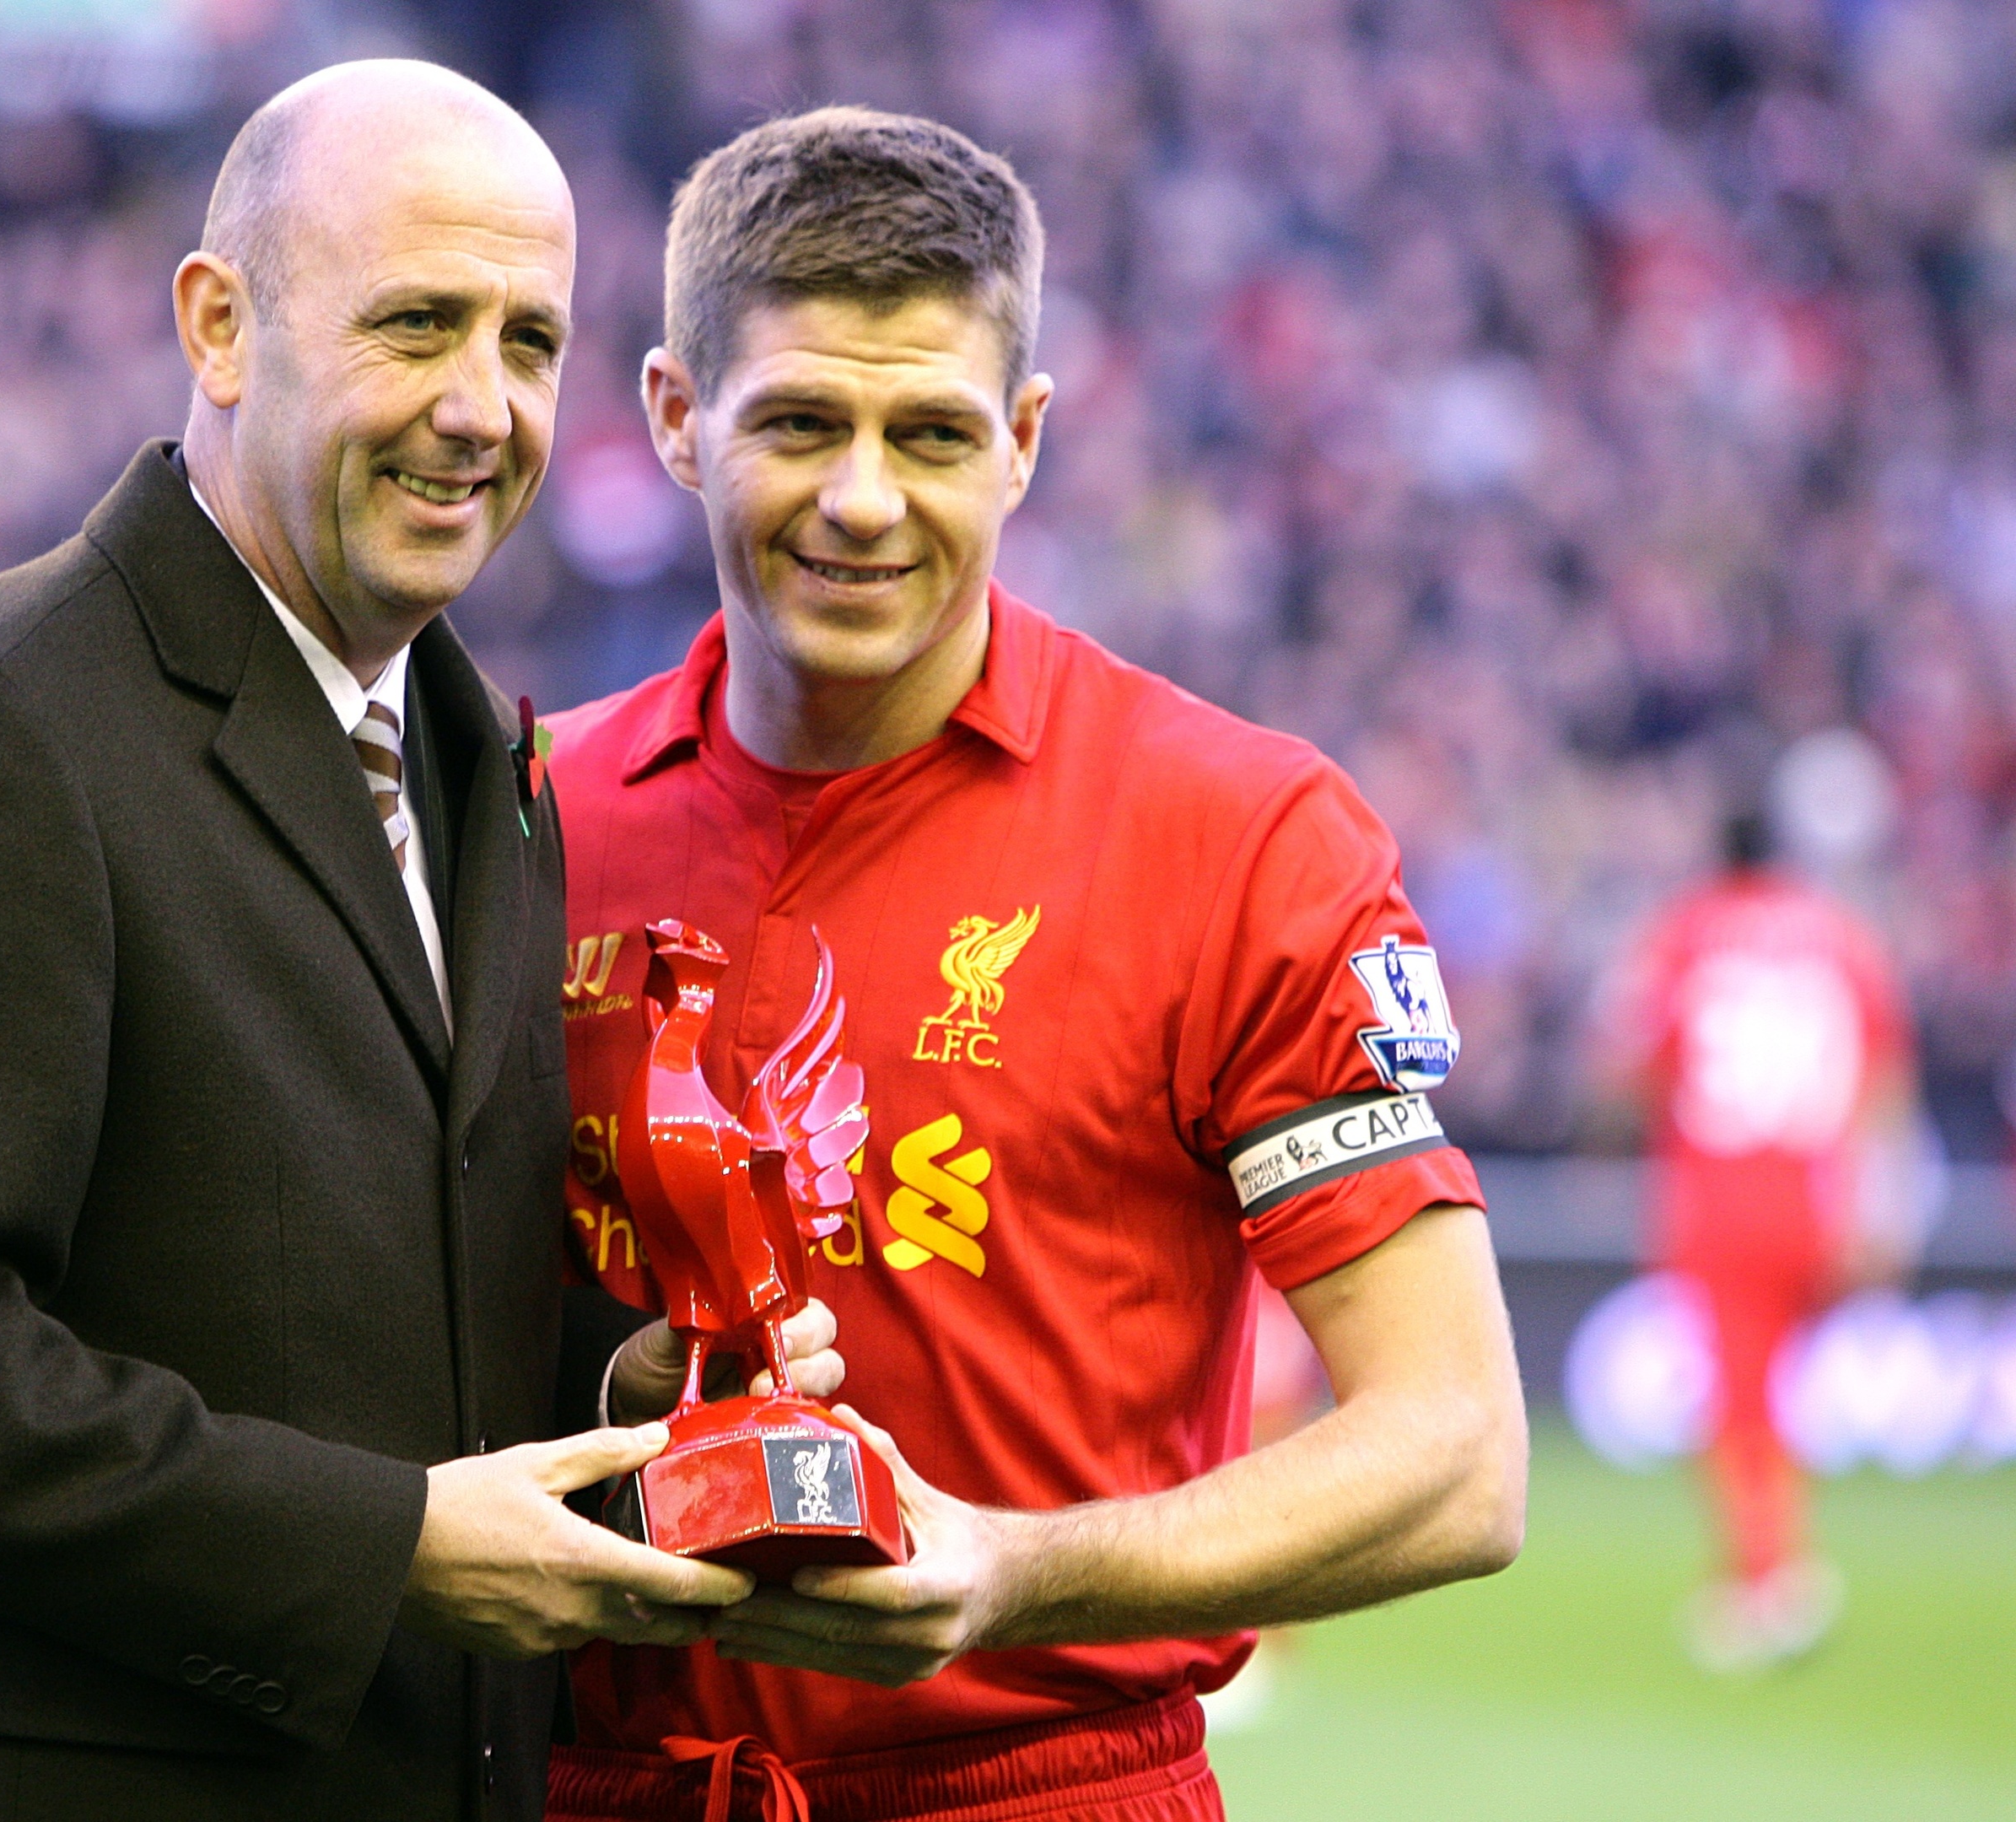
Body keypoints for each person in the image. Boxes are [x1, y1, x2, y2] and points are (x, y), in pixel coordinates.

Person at [0, 61, 758, 1822]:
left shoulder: (479, 755)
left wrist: (614, 1376)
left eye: (527, 340)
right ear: (218, 325)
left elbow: (365, 1288)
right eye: (416, 322)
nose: (481, 406)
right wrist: (390, 1546)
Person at [542, 108, 1527, 1819]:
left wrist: (1012, 1573)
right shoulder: (524, 820)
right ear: (676, 420)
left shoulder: (1238, 836)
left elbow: (1453, 1459)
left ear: (1024, 440)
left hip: (1039, 1787)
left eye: (929, 430)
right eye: (798, 423)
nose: (863, 498)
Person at [1604, 804, 1916, 1672]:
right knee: (1776, 1394)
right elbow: (1884, 1073)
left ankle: (1765, 1583)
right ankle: (1779, 1565)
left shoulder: (1683, 934)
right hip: (1818, 1193)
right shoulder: (1841, 938)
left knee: (1737, 1399)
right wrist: (1879, 1204)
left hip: (1721, 1193)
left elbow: (1633, 1060)